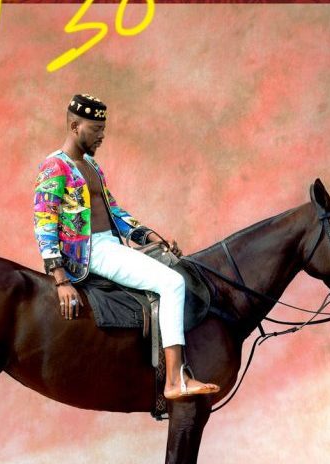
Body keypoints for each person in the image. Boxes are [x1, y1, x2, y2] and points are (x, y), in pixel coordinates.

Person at [33, 93, 219, 400]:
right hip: (92, 252)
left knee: (175, 269)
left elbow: (115, 213)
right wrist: (60, 278)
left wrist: (151, 238)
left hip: (111, 245)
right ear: (75, 126)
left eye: (103, 129)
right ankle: (175, 380)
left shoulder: (92, 165)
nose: (102, 136)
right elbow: (44, 221)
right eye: (96, 129)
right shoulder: (54, 167)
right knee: (172, 283)